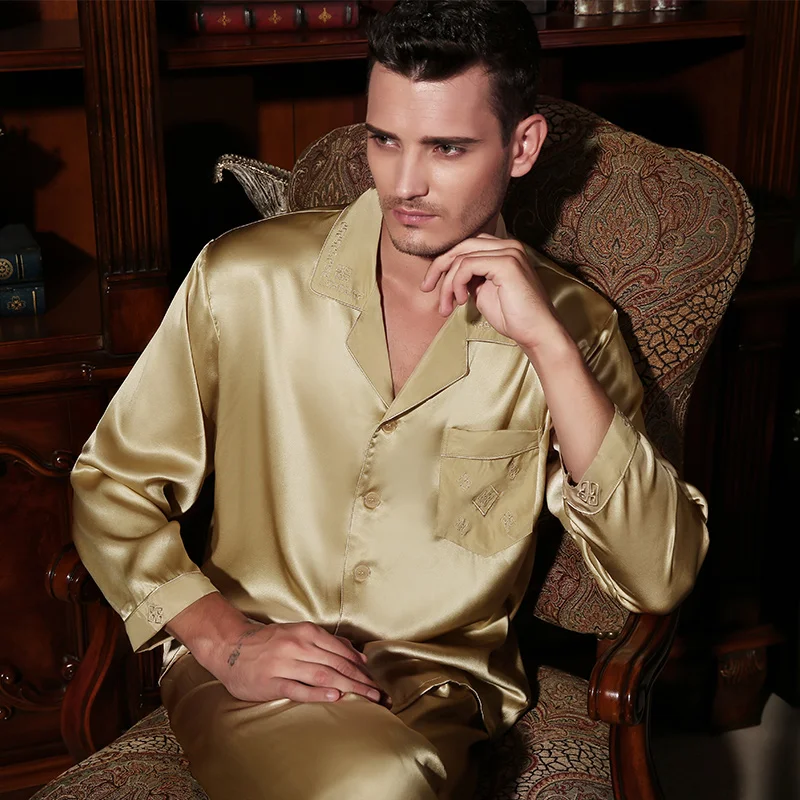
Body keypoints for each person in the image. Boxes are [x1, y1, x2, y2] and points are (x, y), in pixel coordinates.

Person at [70, 1, 709, 798]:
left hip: (441, 689)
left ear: (522, 146)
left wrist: (550, 349)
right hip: (254, 666)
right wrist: (225, 640)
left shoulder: (573, 327)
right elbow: (112, 483)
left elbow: (657, 576)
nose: (404, 184)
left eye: (447, 148)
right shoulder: (242, 280)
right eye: (384, 139)